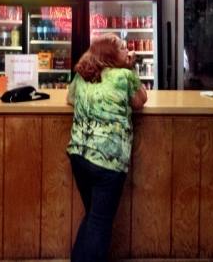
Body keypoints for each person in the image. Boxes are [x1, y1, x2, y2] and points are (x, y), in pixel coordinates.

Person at [66, 33, 147, 262]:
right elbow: (140, 101)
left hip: (79, 155)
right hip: (108, 161)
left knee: (93, 217)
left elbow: (69, 99)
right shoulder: (125, 76)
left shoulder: (83, 75)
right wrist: (131, 68)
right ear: (110, 54)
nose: (128, 51)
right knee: (100, 223)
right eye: (122, 48)